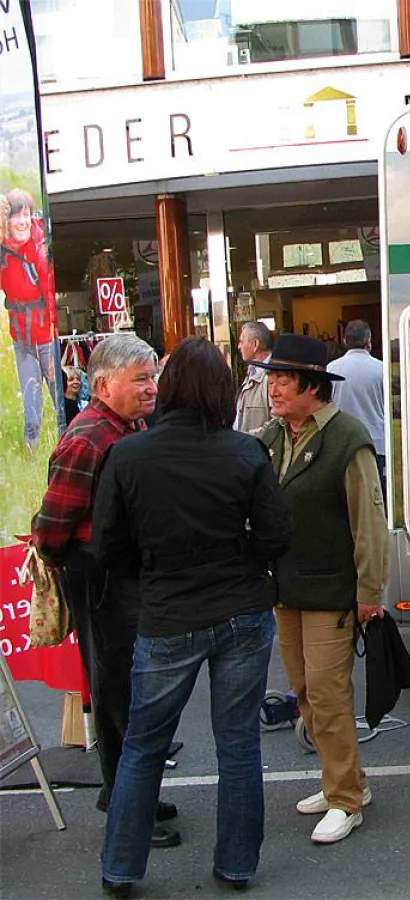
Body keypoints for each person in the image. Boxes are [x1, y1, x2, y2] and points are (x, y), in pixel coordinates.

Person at [91, 338, 293, 896]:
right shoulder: (245, 453)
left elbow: (107, 545)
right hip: (241, 608)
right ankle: (236, 864)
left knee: (143, 743)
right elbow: (278, 534)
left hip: (167, 610)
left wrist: (153, 567)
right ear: (224, 392)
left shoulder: (129, 455)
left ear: (170, 387)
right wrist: (244, 559)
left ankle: (122, 868)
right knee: (238, 745)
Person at [30, 334, 180, 848]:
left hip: (123, 574)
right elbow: (54, 521)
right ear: (102, 385)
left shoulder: (126, 426)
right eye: (140, 378)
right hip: (100, 577)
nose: (151, 387)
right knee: (118, 692)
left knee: (135, 689)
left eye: (152, 376)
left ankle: (132, 794)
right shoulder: (88, 437)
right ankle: (126, 808)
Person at [254, 333, 389, 845]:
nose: (274, 388)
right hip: (285, 588)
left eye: (283, 379)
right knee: (306, 692)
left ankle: (345, 800)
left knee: (330, 694)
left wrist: (370, 590)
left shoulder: (347, 437)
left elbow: (369, 521)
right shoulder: (272, 437)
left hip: (332, 589)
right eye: (272, 378)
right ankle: (344, 779)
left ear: (313, 384)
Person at [1, 188, 61, 450]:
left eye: (27, 215)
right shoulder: (3, 250)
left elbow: (50, 293)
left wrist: (54, 333)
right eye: (17, 216)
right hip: (22, 338)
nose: (23, 221)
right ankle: (32, 451)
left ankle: (68, 445)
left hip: (46, 337)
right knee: (30, 404)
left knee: (60, 400)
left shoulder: (39, 247)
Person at [328, 319, 387, 502]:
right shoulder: (381, 369)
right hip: (375, 442)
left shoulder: (331, 369)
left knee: (345, 499)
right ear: (369, 341)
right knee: (374, 498)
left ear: (344, 341)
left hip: (341, 443)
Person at [234, 321, 272, 433]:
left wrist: (247, 441)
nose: (239, 346)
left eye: (241, 341)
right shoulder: (252, 371)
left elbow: (278, 423)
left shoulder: (273, 376)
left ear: (255, 344)